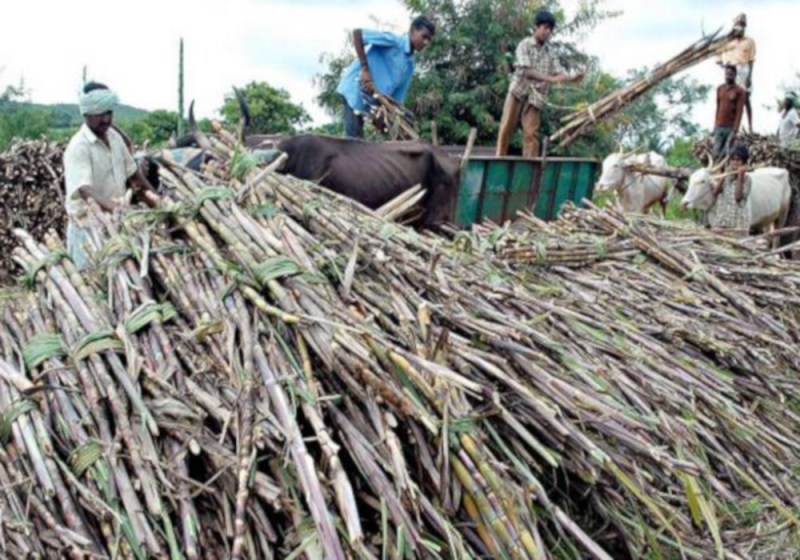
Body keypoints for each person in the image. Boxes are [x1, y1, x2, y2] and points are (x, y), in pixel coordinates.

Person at [63, 82, 154, 269]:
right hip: (88, 229)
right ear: (86, 114)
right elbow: (85, 190)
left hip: (117, 224)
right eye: (100, 114)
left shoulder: (114, 138)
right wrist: (118, 210)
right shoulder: (79, 146)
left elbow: (134, 175)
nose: (106, 119)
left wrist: (158, 202)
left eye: (109, 113)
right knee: (92, 283)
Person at [336, 16, 436, 138]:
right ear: (412, 30)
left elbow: (396, 100)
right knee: (353, 140)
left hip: (370, 102)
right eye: (424, 36)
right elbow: (358, 34)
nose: (426, 42)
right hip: (355, 89)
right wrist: (365, 69)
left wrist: (392, 117)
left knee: (364, 143)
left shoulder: (409, 66)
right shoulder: (394, 41)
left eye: (429, 40)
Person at [718, 13, 756, 132]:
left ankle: (749, 127)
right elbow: (718, 56)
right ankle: (729, 125)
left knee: (745, 99)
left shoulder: (749, 41)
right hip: (731, 70)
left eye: (742, 25)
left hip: (743, 70)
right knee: (729, 99)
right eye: (738, 25)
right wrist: (724, 66)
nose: (740, 28)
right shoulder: (727, 41)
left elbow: (751, 60)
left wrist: (750, 76)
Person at [710, 144, 751, 232]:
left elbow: (738, 198)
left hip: (737, 224)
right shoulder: (726, 177)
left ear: (744, 163)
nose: (735, 162)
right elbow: (715, 193)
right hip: (721, 221)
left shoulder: (747, 179)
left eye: (738, 160)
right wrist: (724, 175)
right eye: (732, 160)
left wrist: (740, 177)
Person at [711, 65, 746, 159]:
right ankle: (716, 172)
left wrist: (735, 130)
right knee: (716, 153)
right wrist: (715, 124)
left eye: (731, 74)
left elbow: (740, 112)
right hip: (719, 126)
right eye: (727, 74)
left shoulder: (740, 91)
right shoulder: (720, 89)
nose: (728, 76)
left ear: (735, 75)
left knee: (727, 153)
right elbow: (718, 108)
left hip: (730, 128)